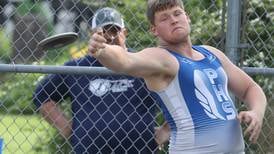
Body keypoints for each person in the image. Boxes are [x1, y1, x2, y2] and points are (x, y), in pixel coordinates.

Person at [88, 0, 267, 153]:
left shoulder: (212, 54)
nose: (173, 20)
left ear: (187, 17)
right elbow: (126, 60)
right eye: (164, 18)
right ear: (154, 30)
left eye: (177, 13)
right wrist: (102, 50)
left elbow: (250, 88)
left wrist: (256, 112)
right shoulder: (162, 58)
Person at [33, 7, 158, 153]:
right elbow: (42, 96)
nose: (110, 37)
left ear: (124, 33)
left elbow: (176, 89)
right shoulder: (77, 68)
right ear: (92, 34)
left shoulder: (141, 63)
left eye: (114, 30)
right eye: (103, 31)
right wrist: (66, 128)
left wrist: (166, 130)